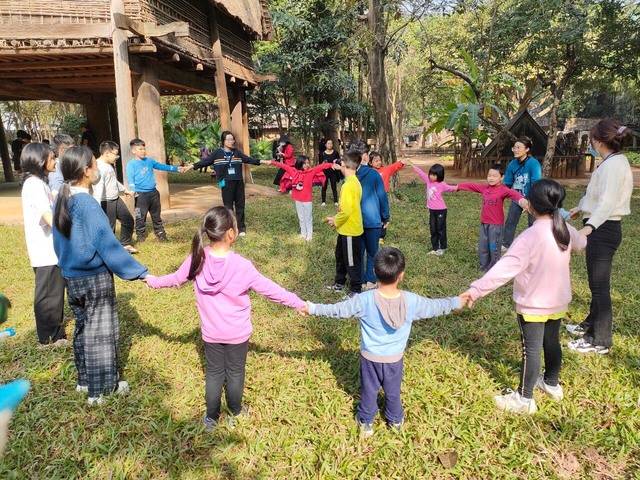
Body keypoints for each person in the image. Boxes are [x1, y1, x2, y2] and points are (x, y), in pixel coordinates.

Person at [144, 206, 305, 429]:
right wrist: (298, 303)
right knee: (235, 373)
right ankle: (235, 413)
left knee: (214, 373)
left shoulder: (197, 259)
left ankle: (211, 418)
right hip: (237, 334)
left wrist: (151, 280)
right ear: (231, 233)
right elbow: (271, 290)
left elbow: (174, 279)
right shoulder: (242, 266)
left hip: (211, 333)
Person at [302, 247, 463, 435]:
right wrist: (456, 301)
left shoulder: (364, 299)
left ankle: (366, 421)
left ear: (374, 272)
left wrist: (312, 308)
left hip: (370, 359)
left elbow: (337, 310)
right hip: (395, 359)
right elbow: (436, 306)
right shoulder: (412, 301)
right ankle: (395, 421)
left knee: (369, 391)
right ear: (401, 275)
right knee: (393, 392)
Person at [460, 180, 587, 414]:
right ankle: (552, 384)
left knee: (531, 350)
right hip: (558, 301)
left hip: (533, 303)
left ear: (530, 206)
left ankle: (524, 399)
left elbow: (502, 270)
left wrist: (475, 290)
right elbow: (582, 243)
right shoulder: (564, 229)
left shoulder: (529, 237)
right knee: (551, 341)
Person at [53, 146, 149, 405]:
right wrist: (138, 272)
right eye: (94, 165)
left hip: (71, 278)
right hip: (94, 278)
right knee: (102, 332)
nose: (97, 169)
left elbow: (63, 242)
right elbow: (106, 243)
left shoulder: (63, 198)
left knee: (83, 329)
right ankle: (103, 389)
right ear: (86, 171)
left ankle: (85, 381)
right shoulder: (86, 202)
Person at [565, 120, 633, 354]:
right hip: (601, 226)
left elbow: (607, 201)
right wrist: (579, 208)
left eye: (592, 138)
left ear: (598, 140)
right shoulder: (611, 162)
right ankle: (589, 325)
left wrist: (589, 226)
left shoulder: (614, 165)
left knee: (599, 287)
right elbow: (595, 194)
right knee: (596, 284)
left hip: (604, 229)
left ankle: (599, 340)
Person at [20, 142, 67, 346]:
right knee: (48, 295)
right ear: (41, 160)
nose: (55, 160)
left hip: (51, 248)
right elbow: (48, 216)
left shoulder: (41, 182)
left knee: (54, 294)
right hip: (45, 250)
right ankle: (49, 339)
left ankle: (54, 333)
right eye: (52, 157)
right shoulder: (34, 184)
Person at [192, 131, 268, 237]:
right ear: (223, 141)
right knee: (228, 207)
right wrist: (192, 166)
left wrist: (262, 161)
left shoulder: (236, 152)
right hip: (227, 183)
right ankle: (230, 227)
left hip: (238, 182)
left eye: (232, 139)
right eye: (228, 139)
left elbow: (248, 159)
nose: (231, 141)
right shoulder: (217, 153)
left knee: (240, 205)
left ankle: (241, 228)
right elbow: (205, 161)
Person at [458, 164, 528, 272]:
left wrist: (522, 200)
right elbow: (472, 186)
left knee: (493, 247)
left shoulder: (503, 189)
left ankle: (494, 269)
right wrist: (458, 187)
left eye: (495, 176)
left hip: (496, 225)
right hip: (484, 223)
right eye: (489, 175)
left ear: (502, 177)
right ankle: (483, 267)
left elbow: (514, 194)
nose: (491, 178)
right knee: (483, 246)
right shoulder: (485, 188)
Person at [126, 138, 191, 242]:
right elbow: (130, 178)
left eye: (144, 149)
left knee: (156, 215)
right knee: (140, 216)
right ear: (134, 151)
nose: (143, 151)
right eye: (140, 149)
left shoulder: (149, 161)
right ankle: (140, 236)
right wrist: (133, 190)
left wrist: (176, 169)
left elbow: (161, 166)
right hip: (141, 195)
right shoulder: (131, 164)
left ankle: (160, 233)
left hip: (153, 193)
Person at [271, 155, 340, 241]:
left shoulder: (311, 172)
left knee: (308, 217)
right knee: (301, 217)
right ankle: (303, 233)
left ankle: (309, 235)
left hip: (307, 199)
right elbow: (282, 165)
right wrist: (269, 162)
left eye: (308, 163)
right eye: (304, 163)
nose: (307, 165)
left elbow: (321, 166)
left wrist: (331, 165)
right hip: (297, 198)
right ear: (300, 163)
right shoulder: (293, 171)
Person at [352, 142, 390, 291]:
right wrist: (385, 217)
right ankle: (370, 281)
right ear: (366, 156)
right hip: (373, 221)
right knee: (372, 252)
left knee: (359, 252)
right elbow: (382, 197)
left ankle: (360, 280)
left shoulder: (350, 175)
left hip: (356, 221)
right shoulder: (374, 174)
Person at [326, 150, 363, 297]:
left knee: (351, 261)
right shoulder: (353, 182)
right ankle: (340, 283)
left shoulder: (349, 185)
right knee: (340, 256)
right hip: (344, 229)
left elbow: (346, 212)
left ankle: (355, 289)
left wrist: (335, 220)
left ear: (343, 165)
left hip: (350, 231)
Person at [93, 141, 137, 254]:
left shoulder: (108, 165)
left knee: (128, 220)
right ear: (107, 153)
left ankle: (125, 244)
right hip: (106, 202)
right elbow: (98, 189)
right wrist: (97, 208)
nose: (117, 157)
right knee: (109, 228)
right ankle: (108, 251)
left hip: (116, 199)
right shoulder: (99, 167)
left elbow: (114, 181)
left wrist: (125, 190)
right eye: (115, 154)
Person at [502, 137, 541, 251]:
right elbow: (508, 183)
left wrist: (529, 201)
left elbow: (536, 183)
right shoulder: (512, 164)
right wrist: (499, 195)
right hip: (517, 197)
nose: (515, 150)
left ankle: (535, 246)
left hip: (533, 198)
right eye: (514, 147)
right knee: (510, 221)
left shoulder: (534, 164)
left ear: (527, 149)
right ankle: (506, 244)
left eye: (518, 148)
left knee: (533, 223)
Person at [412, 163, 457, 255]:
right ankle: (435, 247)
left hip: (441, 210)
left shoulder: (442, 184)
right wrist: (411, 165)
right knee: (433, 229)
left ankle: (443, 247)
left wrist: (459, 187)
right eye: (430, 174)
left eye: (434, 175)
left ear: (439, 175)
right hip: (432, 210)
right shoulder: (428, 181)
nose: (431, 176)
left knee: (440, 229)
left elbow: (450, 188)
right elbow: (421, 173)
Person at [319, 139, 342, 206]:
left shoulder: (335, 153)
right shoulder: (322, 153)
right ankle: (323, 201)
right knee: (324, 187)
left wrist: (336, 164)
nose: (330, 145)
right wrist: (323, 163)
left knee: (334, 187)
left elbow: (338, 161)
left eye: (331, 143)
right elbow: (320, 164)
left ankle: (336, 201)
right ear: (325, 145)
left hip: (333, 172)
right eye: (328, 143)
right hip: (325, 172)